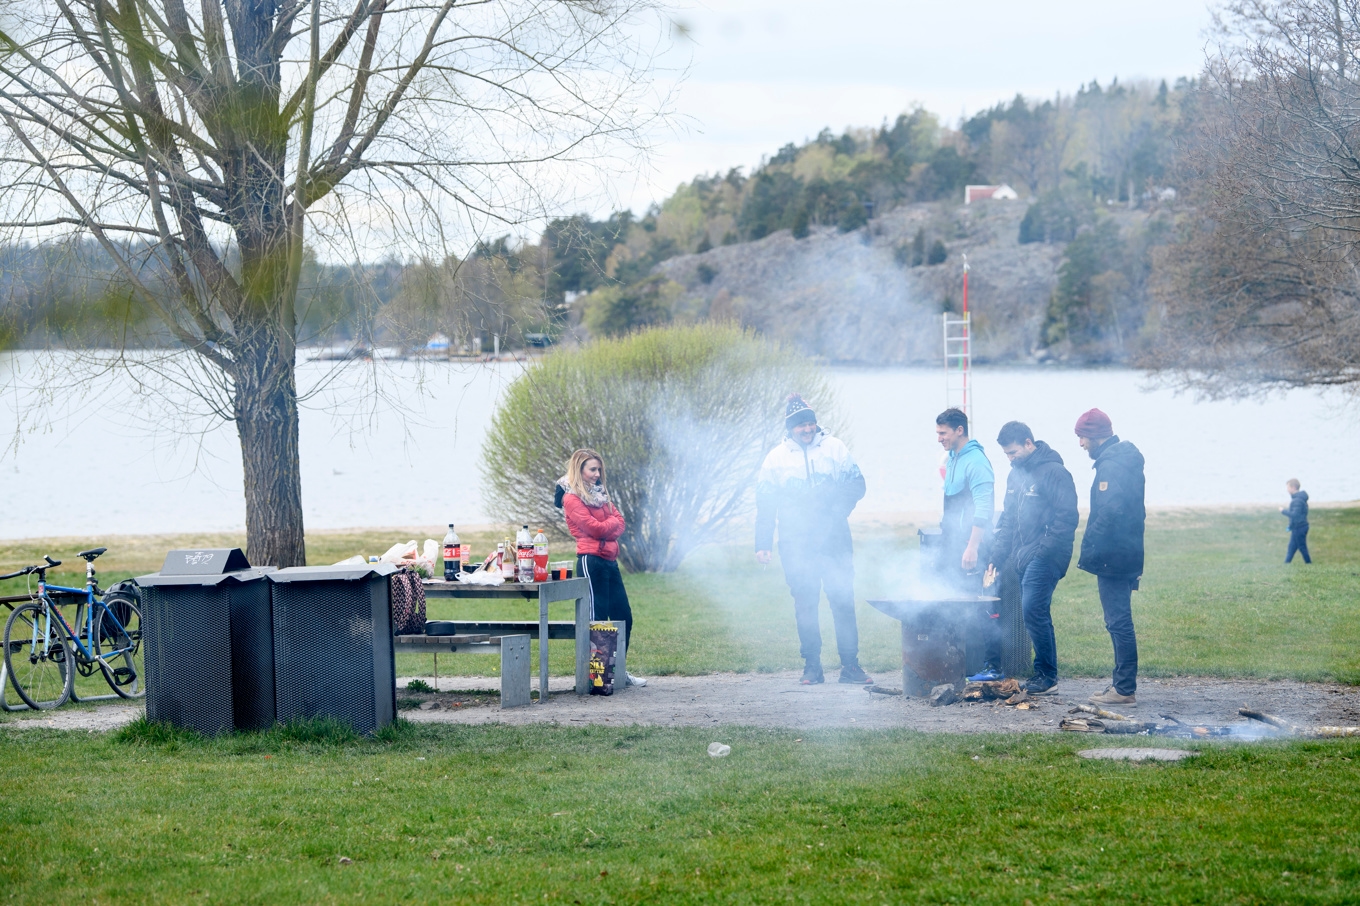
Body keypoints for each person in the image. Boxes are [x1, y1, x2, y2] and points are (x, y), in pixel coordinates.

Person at [755, 394, 871, 685]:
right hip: (796, 544)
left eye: (811, 423)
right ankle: (812, 668)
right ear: (790, 428)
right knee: (806, 606)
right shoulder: (775, 459)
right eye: (801, 426)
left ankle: (851, 667)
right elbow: (765, 504)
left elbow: (857, 483)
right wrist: (763, 544)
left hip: (835, 540)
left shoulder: (835, 448)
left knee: (843, 601)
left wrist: (837, 511)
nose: (807, 429)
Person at [988, 421, 1078, 695]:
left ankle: (1047, 675)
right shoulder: (1015, 477)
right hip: (1021, 554)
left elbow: (1067, 518)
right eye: (1006, 454)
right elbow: (1008, 521)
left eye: (1013, 452)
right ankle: (1043, 672)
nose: (1010, 458)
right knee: (1033, 611)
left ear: (1029, 443)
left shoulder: (1055, 472)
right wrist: (996, 556)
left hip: (1047, 554)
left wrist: (1041, 550)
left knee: (1032, 609)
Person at [555, 448, 646, 687]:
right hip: (591, 561)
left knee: (623, 616)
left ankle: (617, 671)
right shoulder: (571, 498)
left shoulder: (601, 494)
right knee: (597, 619)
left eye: (599, 469)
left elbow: (621, 522)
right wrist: (610, 523)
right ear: (580, 470)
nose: (597, 474)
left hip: (609, 560)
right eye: (592, 469)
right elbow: (592, 528)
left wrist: (609, 523)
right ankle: (597, 678)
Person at [1074, 408, 1145, 706]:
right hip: (1126, 551)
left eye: (1082, 438)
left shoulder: (1112, 465)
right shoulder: (1120, 460)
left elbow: (1110, 511)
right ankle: (1121, 684)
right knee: (1118, 620)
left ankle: (1124, 689)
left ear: (1096, 436)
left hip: (1114, 555)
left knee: (1118, 621)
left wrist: (1090, 544)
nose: (1081, 445)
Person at [934, 407, 1002, 682]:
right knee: (953, 601)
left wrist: (973, 546)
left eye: (943, 433)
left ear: (959, 430)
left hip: (972, 546)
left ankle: (993, 665)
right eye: (937, 433)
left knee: (981, 604)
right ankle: (957, 662)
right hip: (953, 544)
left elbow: (984, 509)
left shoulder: (976, 461)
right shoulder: (952, 458)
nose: (939, 438)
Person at [1282, 479, 1311, 564]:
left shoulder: (1297, 500)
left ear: (1293, 487)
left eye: (1288, 487)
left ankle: (1309, 564)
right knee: (1292, 547)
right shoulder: (1299, 499)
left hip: (1300, 527)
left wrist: (1283, 511)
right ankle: (1286, 564)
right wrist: (1290, 526)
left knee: (1302, 547)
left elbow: (1295, 515)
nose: (1287, 490)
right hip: (1297, 527)